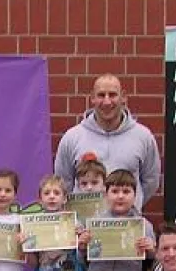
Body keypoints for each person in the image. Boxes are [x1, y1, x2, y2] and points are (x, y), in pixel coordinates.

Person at [54, 73, 161, 209]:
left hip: (127, 225)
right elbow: (64, 182)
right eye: (101, 95)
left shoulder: (143, 136)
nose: (106, 101)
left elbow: (150, 182)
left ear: (123, 97)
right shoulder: (72, 137)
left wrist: (132, 205)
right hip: (84, 226)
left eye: (112, 95)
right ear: (92, 98)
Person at [83, 169, 156, 271]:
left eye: (126, 191)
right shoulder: (94, 223)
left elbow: (153, 261)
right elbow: (83, 258)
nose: (120, 196)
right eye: (115, 191)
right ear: (106, 194)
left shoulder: (144, 226)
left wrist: (151, 250)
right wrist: (82, 246)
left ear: (134, 195)